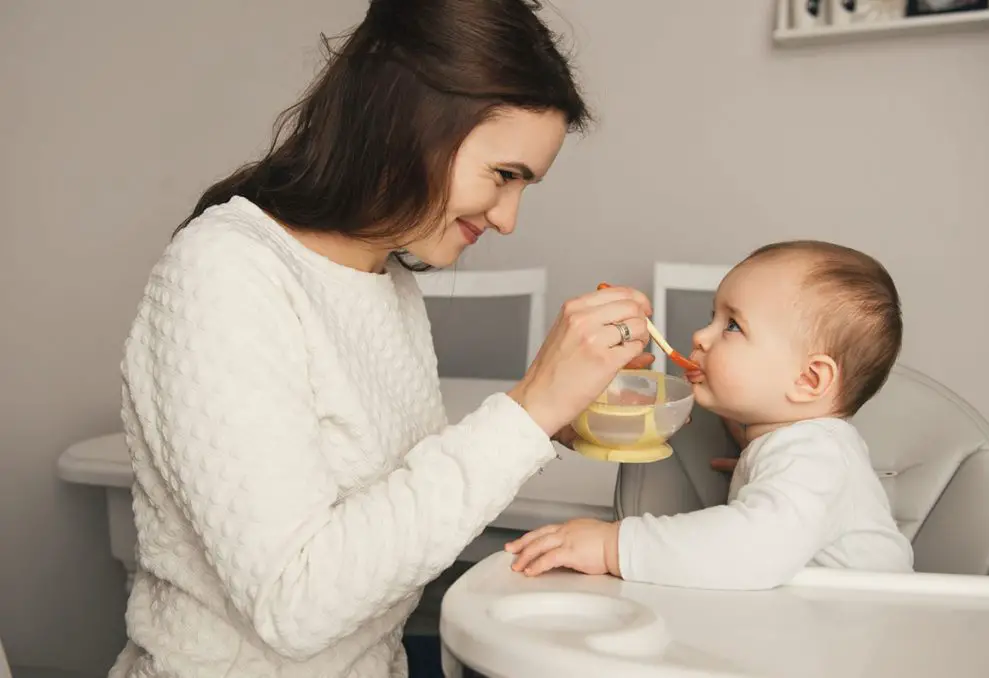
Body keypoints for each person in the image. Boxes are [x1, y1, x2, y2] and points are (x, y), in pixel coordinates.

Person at [111, 1, 655, 676]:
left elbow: (385, 504)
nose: (510, 218)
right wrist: (527, 410)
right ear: (408, 123)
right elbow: (296, 603)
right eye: (504, 175)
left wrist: (545, 423)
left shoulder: (385, 280)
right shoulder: (223, 273)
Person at [506, 240, 915, 588]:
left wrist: (612, 546)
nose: (701, 336)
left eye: (733, 326)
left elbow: (752, 549)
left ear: (809, 380)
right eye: (711, 318)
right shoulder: (801, 445)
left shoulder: (815, 457)